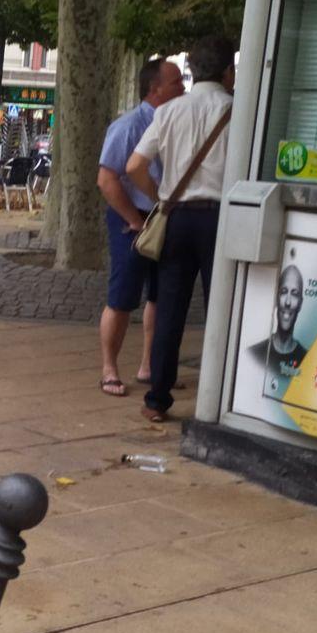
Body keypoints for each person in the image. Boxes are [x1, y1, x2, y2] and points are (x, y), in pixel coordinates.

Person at [127, 35, 236, 422]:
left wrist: (161, 197)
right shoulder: (236, 110)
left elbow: (134, 167)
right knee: (220, 307)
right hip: (220, 218)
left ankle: (157, 399)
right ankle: (219, 397)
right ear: (228, 71)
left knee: (170, 308)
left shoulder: (169, 111)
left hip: (176, 217)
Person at [96, 58, 185, 397]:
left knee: (160, 297)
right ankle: (109, 369)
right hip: (132, 220)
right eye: (176, 82)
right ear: (155, 89)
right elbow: (106, 179)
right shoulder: (129, 125)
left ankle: (149, 366)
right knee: (122, 298)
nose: (183, 88)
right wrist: (134, 220)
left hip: (162, 218)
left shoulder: (173, 123)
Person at [248, 264, 308, 381]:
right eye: (284, 292)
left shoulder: (308, 360)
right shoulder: (253, 355)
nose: (288, 302)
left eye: (294, 294)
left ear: (300, 303)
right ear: (276, 298)